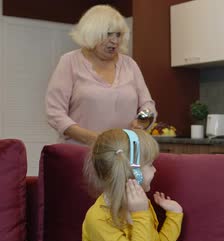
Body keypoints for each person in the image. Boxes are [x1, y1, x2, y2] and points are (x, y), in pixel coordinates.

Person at [46, 5, 156, 145]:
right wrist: (94, 139)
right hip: (80, 154)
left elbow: (147, 105)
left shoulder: (130, 65)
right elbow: (55, 113)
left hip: (125, 154)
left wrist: (142, 121)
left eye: (118, 35)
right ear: (92, 33)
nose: (115, 41)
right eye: (108, 34)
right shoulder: (69, 62)